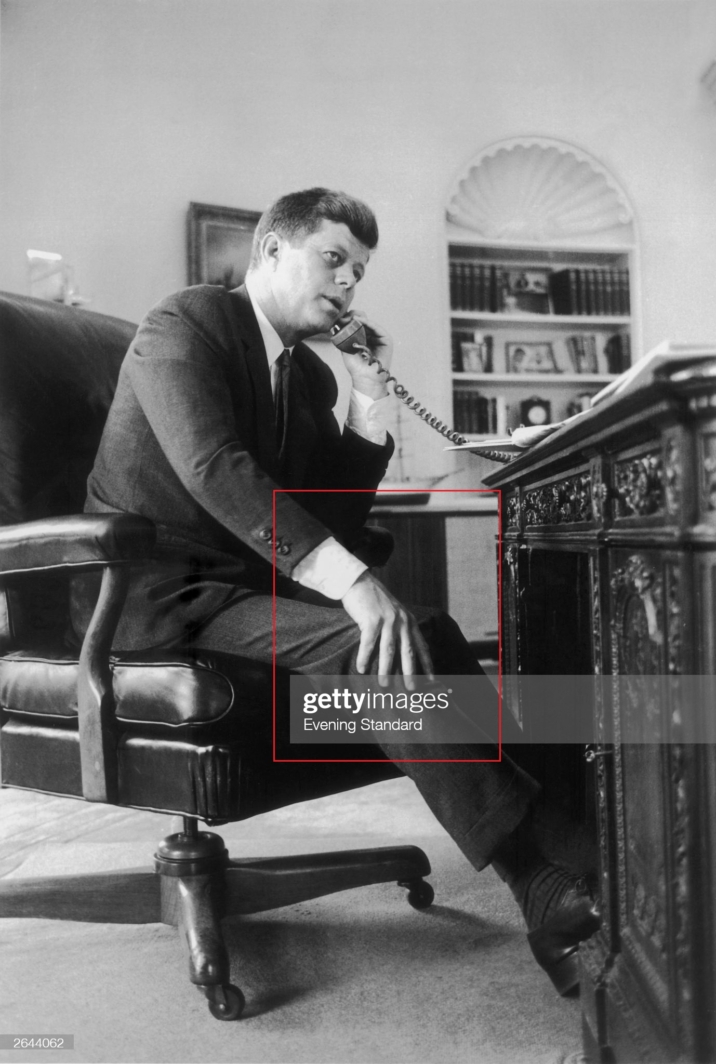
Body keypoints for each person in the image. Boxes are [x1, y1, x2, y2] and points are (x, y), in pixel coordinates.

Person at [73, 187, 598, 997]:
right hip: (152, 602)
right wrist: (352, 586)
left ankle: (568, 849)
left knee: (423, 629)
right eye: (333, 259)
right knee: (372, 643)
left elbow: (331, 518)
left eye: (359, 270)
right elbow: (214, 467)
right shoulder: (185, 324)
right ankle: (546, 877)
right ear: (271, 251)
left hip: (239, 596)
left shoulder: (305, 380)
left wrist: (368, 396)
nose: (349, 281)